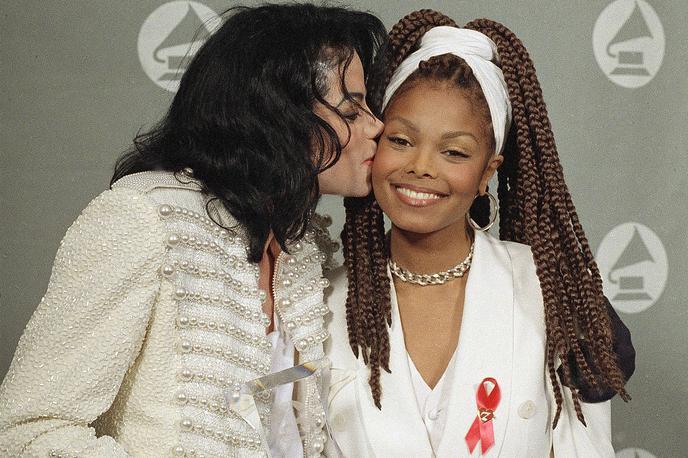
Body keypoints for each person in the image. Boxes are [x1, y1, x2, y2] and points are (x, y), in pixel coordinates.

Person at [0, 4, 384, 457]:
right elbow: (29, 429)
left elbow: (264, 415)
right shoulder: (143, 218)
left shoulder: (302, 247)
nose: (376, 125)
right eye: (351, 110)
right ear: (282, 114)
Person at [325, 9, 633, 457]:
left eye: (454, 151)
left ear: (488, 172)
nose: (421, 166)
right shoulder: (317, 302)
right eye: (401, 141)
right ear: (375, 144)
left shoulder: (552, 294)